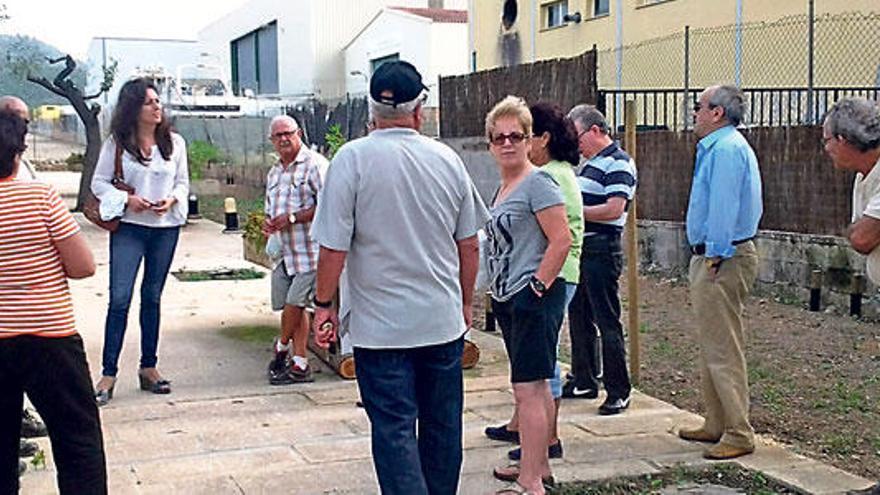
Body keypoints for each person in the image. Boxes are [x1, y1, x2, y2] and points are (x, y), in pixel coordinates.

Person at [310, 60, 488, 495]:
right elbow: (470, 244)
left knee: (393, 431)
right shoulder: (447, 159)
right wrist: (464, 302)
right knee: (443, 429)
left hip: (380, 331)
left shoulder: (351, 159)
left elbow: (333, 248)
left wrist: (323, 306)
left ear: (371, 110)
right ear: (419, 109)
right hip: (440, 323)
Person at [0, 112, 107, 493]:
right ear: (18, 153)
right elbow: (83, 266)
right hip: (50, 338)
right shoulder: (40, 196)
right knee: (77, 440)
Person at [486, 102, 583, 472]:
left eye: (516, 136)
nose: (507, 143)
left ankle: (531, 481)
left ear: (531, 141)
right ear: (490, 144)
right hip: (510, 297)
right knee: (535, 388)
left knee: (529, 390)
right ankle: (537, 466)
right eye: (500, 137)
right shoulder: (506, 186)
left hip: (533, 297)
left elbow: (562, 239)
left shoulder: (539, 182)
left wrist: (537, 289)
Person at [91, 78, 189, 405]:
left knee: (152, 297)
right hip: (130, 228)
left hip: (165, 228)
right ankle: (108, 373)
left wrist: (172, 201)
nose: (156, 106)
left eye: (157, 101)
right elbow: (99, 182)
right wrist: (127, 200)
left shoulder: (174, 143)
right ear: (134, 108)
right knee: (120, 298)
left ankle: (149, 367)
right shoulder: (116, 143)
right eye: (149, 102)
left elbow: (182, 183)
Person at [678, 84, 762, 460]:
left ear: (717, 113)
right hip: (713, 257)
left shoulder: (726, 150)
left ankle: (738, 431)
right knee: (712, 342)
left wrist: (714, 256)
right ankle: (716, 420)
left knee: (724, 346)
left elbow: (724, 208)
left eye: (699, 106)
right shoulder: (717, 148)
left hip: (722, 259)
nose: (694, 113)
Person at [821, 97, 880, 495]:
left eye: (826, 139)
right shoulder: (865, 177)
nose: (824, 148)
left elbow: (862, 237)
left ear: (844, 139)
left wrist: (855, 230)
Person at [565, 104, 636, 415]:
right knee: (578, 317)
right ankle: (584, 378)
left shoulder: (618, 164)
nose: (575, 143)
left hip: (601, 250)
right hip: (581, 249)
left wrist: (572, 213)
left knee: (606, 319)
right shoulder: (590, 165)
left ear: (595, 130)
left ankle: (619, 389)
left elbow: (614, 209)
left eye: (577, 135)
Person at [0, 95, 52, 472]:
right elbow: (82, 264)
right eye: (18, 120)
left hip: (28, 305)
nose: (25, 128)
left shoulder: (27, 169)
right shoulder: (31, 186)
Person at [262, 114, 325, 385]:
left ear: (299, 133)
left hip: (310, 250)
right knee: (290, 307)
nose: (284, 139)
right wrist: (270, 224)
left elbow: (329, 205)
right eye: (278, 136)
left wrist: (292, 218)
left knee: (295, 302)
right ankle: (299, 362)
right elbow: (270, 207)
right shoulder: (275, 172)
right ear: (272, 141)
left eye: (288, 133)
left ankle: (281, 348)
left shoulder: (315, 165)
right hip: (285, 252)